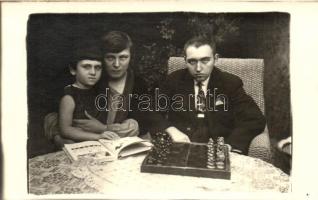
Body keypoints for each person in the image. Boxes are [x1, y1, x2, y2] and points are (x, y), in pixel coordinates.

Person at [154, 35, 266, 155]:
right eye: (192, 61)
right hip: (181, 150)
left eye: (205, 60)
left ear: (215, 59)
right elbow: (151, 111)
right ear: (185, 60)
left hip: (217, 152)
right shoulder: (173, 80)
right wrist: (171, 130)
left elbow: (254, 119)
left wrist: (230, 145)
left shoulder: (230, 83)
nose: (198, 68)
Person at [67, 31, 153, 141]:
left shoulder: (138, 84)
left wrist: (103, 128)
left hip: (126, 143)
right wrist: (59, 137)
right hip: (91, 141)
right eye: (110, 58)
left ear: (131, 58)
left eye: (123, 57)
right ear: (102, 58)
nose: (116, 64)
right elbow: (59, 116)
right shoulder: (92, 79)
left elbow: (142, 123)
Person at [58, 39, 127, 142]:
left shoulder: (99, 91)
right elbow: (65, 130)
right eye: (86, 67)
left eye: (98, 68)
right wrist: (98, 137)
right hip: (80, 143)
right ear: (73, 70)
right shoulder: (69, 96)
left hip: (102, 141)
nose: (93, 72)